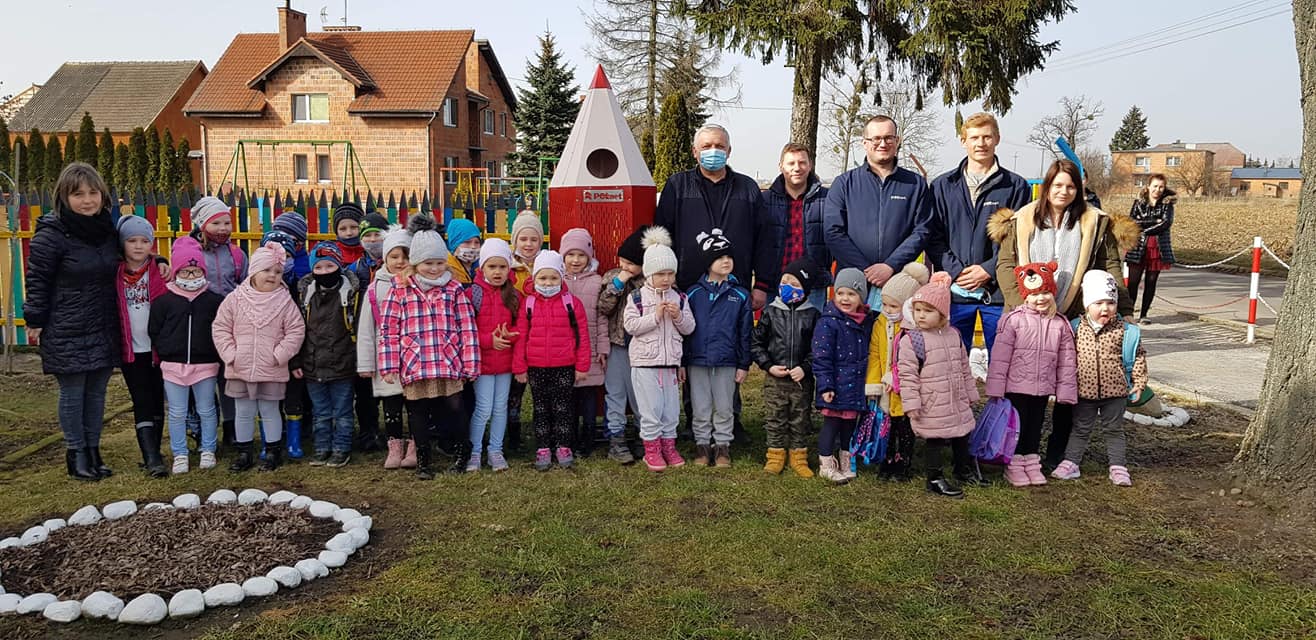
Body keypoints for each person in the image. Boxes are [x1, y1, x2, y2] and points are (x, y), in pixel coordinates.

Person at [989, 159, 1139, 471]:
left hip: (1070, 315)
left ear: (1079, 189)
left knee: (1070, 387)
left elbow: (1110, 265)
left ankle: (1058, 453)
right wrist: (1022, 303)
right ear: (1047, 186)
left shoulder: (1095, 222)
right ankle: (1017, 453)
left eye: (1070, 186)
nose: (1064, 191)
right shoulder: (1023, 219)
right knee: (1025, 388)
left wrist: (1123, 310)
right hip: (1027, 316)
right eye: (1058, 185)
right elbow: (1006, 264)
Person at [25, 163, 125, 481]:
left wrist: (160, 262)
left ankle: (94, 451)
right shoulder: (51, 235)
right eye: (78, 194)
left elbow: (132, 255)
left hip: (102, 321)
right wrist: (35, 320)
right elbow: (38, 280)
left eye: (93, 193)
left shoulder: (108, 231)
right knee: (73, 391)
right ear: (64, 197)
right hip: (65, 324)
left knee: (97, 392)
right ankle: (76, 453)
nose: (87, 200)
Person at [378, 213, 480, 479]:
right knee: (418, 413)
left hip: (448, 362)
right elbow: (389, 330)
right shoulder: (399, 290)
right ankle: (423, 459)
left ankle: (461, 452)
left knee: (455, 407)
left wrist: (470, 363)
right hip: (415, 363)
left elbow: (467, 328)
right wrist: (389, 365)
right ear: (415, 263)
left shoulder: (454, 289)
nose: (434, 269)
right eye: (427, 263)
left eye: (438, 263)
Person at [926, 112, 1034, 353]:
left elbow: (1020, 240)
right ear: (963, 141)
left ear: (997, 139)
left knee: (1004, 363)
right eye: (974, 137)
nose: (981, 143)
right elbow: (933, 236)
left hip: (997, 293)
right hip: (953, 293)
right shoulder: (943, 186)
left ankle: (999, 394)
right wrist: (956, 271)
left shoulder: (1016, 186)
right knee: (950, 362)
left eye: (987, 137)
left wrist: (987, 270)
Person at [655, 124, 779, 307]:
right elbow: (662, 235)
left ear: (729, 151)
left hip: (736, 288)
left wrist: (761, 285)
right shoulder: (677, 186)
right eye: (706, 146)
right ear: (694, 152)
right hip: (686, 288)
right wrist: (666, 277)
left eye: (720, 146)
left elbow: (764, 239)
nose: (713, 151)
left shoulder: (748, 188)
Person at [212, 242, 306, 472]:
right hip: (240, 366)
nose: (272, 276)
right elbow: (221, 327)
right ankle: (244, 452)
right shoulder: (235, 299)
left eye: (277, 272)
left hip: (271, 368)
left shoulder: (284, 301)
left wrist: (279, 355)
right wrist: (230, 354)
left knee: (270, 410)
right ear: (254, 271)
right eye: (267, 270)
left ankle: (272, 451)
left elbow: (296, 330)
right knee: (243, 411)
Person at [984, 261, 1079, 487]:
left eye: (1046, 292)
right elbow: (1000, 357)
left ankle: (1031, 462)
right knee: (1018, 426)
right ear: (1025, 295)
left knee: (1036, 425)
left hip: (1042, 387)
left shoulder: (1059, 324)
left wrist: (1065, 392)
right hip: (1016, 387)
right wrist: (996, 388)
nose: (1041, 298)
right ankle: (1014, 464)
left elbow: (1067, 361)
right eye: (1035, 293)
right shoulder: (1013, 320)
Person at [823, 115, 932, 307]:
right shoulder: (844, 184)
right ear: (865, 143)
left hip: (899, 283)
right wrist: (867, 270)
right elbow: (833, 232)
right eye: (876, 138)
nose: (883, 143)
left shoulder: (915, 184)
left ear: (897, 141)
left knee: (895, 337)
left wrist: (890, 266)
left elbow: (922, 231)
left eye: (889, 138)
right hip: (853, 284)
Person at [1052, 271, 1148, 487]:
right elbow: (1065, 357)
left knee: (1114, 430)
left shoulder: (1124, 331)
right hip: (1084, 392)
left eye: (1110, 303)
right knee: (1080, 428)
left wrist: (1139, 382)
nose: (1105, 308)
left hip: (1115, 393)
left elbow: (1138, 355)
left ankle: (1118, 467)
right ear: (1087, 305)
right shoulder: (1076, 327)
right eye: (1099, 303)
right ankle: (1071, 462)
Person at [895, 273, 981, 498]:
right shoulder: (912, 340)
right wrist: (912, 403)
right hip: (931, 400)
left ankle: (962, 469)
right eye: (917, 310)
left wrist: (970, 393)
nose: (921, 316)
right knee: (935, 439)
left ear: (942, 314)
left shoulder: (954, 335)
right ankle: (934, 478)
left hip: (956, 397)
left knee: (962, 434)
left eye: (928, 311)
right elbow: (907, 375)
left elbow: (964, 366)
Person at [624, 227, 697, 472]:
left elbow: (689, 328)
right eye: (660, 274)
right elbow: (631, 326)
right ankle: (651, 450)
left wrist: (677, 317)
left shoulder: (680, 298)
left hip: (670, 364)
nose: (666, 279)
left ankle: (669, 445)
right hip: (645, 364)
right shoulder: (636, 297)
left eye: (670, 274)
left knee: (670, 409)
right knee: (651, 409)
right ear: (648, 274)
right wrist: (655, 317)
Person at [148, 240, 224, 474]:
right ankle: (180, 453)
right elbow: (154, 330)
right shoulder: (164, 301)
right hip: (173, 365)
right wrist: (166, 350)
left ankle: (208, 449)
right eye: (185, 271)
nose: (191, 275)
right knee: (178, 412)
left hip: (205, 365)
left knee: (206, 409)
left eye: (196, 271)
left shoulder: (213, 300)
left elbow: (221, 328)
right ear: (177, 271)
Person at [512, 250, 592, 471]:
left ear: (561, 277)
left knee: (563, 408)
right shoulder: (528, 304)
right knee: (540, 408)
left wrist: (582, 365)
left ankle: (563, 446)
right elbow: (521, 337)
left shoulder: (571, 303)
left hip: (564, 366)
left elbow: (582, 336)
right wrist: (520, 367)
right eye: (543, 278)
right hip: (536, 367)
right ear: (534, 278)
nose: (548, 283)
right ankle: (543, 447)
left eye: (553, 278)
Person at [683, 229, 752, 467]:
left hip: (727, 360)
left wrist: (743, 363)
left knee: (724, 405)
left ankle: (723, 446)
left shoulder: (740, 295)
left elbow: (745, 332)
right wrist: (683, 362)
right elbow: (684, 330)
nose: (726, 261)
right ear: (707, 262)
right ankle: (702, 445)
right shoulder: (692, 293)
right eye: (719, 257)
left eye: (729, 257)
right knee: (700, 405)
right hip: (697, 360)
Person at [752, 257, 823, 477]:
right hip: (776, 378)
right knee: (775, 417)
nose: (787, 287)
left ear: (805, 289)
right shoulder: (771, 312)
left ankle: (798, 456)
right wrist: (768, 365)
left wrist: (805, 367)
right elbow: (756, 343)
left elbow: (818, 349)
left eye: (794, 283)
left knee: (800, 418)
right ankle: (775, 455)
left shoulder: (813, 315)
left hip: (801, 380)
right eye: (785, 281)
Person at [357, 224, 417, 470]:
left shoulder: (419, 284)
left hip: (414, 357)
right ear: (385, 258)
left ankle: (414, 445)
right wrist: (366, 363)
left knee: (415, 404)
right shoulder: (375, 287)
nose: (400, 262)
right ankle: (394, 445)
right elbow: (365, 330)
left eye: (405, 256)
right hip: (387, 357)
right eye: (394, 256)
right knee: (391, 405)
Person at [863, 262, 929, 481]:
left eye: (893, 306)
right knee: (886, 426)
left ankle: (904, 463)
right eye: (884, 304)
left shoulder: (914, 329)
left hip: (905, 388)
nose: (887, 310)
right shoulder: (880, 323)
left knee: (905, 428)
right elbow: (874, 354)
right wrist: (873, 382)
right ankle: (886, 459)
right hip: (884, 387)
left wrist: (896, 375)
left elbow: (916, 360)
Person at [114, 215, 169, 478]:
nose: (138, 246)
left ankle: (156, 450)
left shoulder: (159, 270)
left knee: (158, 398)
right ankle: (151, 458)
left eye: (144, 241)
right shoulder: (114, 273)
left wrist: (161, 259)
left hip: (157, 348)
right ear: (122, 244)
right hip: (130, 349)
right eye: (131, 241)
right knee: (141, 399)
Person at [298, 242, 361, 468]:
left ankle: (341, 448)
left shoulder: (349, 294)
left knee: (343, 411)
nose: (324, 272)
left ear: (339, 265)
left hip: (343, 363)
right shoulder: (306, 295)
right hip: (313, 365)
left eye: (329, 266)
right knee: (321, 411)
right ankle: (321, 447)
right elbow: (300, 331)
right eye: (319, 268)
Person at [811, 268, 876, 485]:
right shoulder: (828, 322)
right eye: (840, 293)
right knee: (831, 424)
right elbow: (821, 357)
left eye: (851, 294)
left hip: (855, 385)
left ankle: (846, 459)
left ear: (861, 297)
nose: (845, 299)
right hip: (835, 385)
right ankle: (826, 463)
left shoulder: (866, 321)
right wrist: (825, 385)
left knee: (850, 425)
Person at [596, 227, 650, 466]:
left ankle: (643, 436)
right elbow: (603, 308)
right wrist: (616, 286)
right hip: (617, 345)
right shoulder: (611, 277)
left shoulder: (650, 282)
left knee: (641, 396)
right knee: (615, 393)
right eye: (624, 261)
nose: (626, 267)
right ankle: (616, 440)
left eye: (632, 264)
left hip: (643, 347)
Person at [467, 239, 522, 472]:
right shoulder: (473, 293)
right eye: (492, 267)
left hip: (506, 363)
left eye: (502, 267)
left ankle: (495, 450)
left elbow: (522, 327)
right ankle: (475, 451)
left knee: (500, 407)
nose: (498, 272)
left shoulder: (515, 295)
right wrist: (490, 341)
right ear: (482, 268)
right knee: (483, 408)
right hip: (483, 363)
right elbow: (465, 331)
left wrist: (511, 336)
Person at [559, 228, 609, 457]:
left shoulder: (597, 282)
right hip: (564, 350)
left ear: (589, 257)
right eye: (570, 255)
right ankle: (570, 437)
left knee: (589, 395)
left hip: (589, 349)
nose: (576, 260)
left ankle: (588, 437)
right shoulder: (557, 281)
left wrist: (603, 347)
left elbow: (601, 319)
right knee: (568, 396)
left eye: (581, 255)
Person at [764, 142, 831, 309]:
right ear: (781, 166)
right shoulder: (765, 201)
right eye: (791, 163)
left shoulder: (827, 199)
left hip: (813, 285)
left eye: (802, 162)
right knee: (773, 334)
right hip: (775, 283)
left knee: (813, 334)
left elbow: (835, 237)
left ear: (810, 166)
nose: (797, 168)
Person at [505, 209, 544, 452]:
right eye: (523, 239)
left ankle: (543, 431)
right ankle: (513, 434)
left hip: (540, 339)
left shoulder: (547, 264)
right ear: (515, 241)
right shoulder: (509, 269)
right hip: (516, 338)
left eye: (533, 239)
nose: (528, 244)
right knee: (514, 392)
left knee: (541, 390)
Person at [1125, 173, 1176, 324]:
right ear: (1148, 187)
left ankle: (1144, 314)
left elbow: (1165, 223)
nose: (1158, 190)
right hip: (1138, 245)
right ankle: (1129, 312)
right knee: (1133, 282)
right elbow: (1132, 221)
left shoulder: (1168, 204)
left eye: (1161, 187)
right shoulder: (1138, 203)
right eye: (1155, 186)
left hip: (1158, 246)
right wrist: (1154, 221)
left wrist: (1145, 226)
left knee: (1151, 281)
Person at [446, 217, 483, 287]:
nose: (473, 246)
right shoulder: (446, 269)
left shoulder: (483, 267)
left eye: (477, 242)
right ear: (454, 244)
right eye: (467, 242)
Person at [331, 202, 366, 266]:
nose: (349, 233)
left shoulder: (369, 252)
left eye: (354, 227)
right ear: (336, 231)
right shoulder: (332, 253)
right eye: (343, 229)